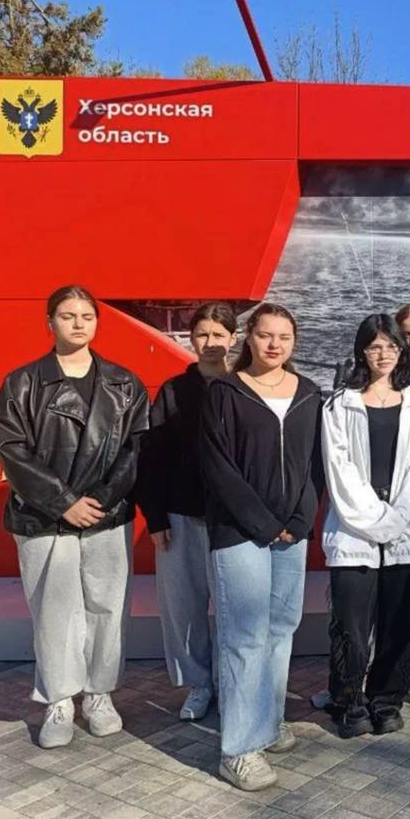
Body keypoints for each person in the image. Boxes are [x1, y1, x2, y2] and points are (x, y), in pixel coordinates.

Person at [0, 285, 149, 750]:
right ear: (50, 322)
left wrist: (98, 499)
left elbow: (137, 449)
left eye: (87, 316)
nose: (78, 324)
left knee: (107, 607)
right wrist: (63, 502)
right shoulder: (22, 383)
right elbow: (12, 450)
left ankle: (99, 693)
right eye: (67, 315)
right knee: (54, 611)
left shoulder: (125, 383)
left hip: (107, 513)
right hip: (42, 517)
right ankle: (58, 700)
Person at [200, 303, 324, 790]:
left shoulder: (309, 393)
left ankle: (267, 722)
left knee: (280, 629)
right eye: (266, 335)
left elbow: (314, 466)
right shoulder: (225, 393)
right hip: (239, 532)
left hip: (291, 534)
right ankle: (238, 749)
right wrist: (264, 524)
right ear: (248, 338)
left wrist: (298, 521)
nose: (274, 344)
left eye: (284, 337)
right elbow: (219, 468)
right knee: (244, 636)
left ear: (294, 342)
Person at [322, 315, 410, 739]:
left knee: (398, 623)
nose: (383, 355)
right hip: (355, 528)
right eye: (374, 346)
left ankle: (386, 700)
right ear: (361, 352)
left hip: (405, 529)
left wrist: (398, 519)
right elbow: (340, 470)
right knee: (351, 627)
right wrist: (378, 519)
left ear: (401, 351)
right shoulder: (340, 404)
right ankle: (349, 702)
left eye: (391, 346)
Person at [140, 301, 236, 724]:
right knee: (185, 609)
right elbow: (151, 457)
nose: (211, 342)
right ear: (191, 339)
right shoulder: (173, 391)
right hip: (181, 517)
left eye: (219, 334)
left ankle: (233, 684)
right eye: (203, 334)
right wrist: (156, 516)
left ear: (233, 338)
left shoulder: (245, 387)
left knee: (236, 610)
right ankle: (199, 683)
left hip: (233, 521)